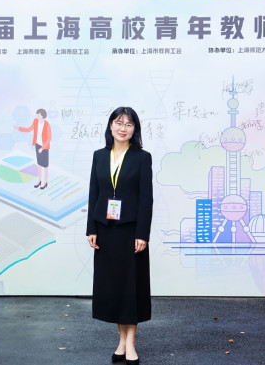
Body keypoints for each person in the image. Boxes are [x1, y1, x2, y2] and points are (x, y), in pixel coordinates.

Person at [86, 106, 153, 365]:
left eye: (128, 124)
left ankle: (131, 343)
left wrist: (142, 234)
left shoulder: (142, 158)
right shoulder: (99, 156)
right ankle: (121, 341)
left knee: (130, 287)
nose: (122, 128)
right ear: (110, 126)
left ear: (135, 129)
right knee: (114, 287)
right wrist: (91, 228)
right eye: (118, 122)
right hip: (105, 230)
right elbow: (94, 193)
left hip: (131, 231)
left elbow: (146, 199)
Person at [14, 108, 52, 190]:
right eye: (37, 115)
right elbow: (28, 129)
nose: (37, 116)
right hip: (37, 145)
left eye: (38, 115)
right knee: (39, 164)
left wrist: (42, 148)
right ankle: (39, 181)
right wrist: (19, 128)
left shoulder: (47, 125)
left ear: (42, 116)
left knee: (45, 166)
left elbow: (49, 138)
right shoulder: (35, 121)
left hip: (44, 147)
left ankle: (45, 182)